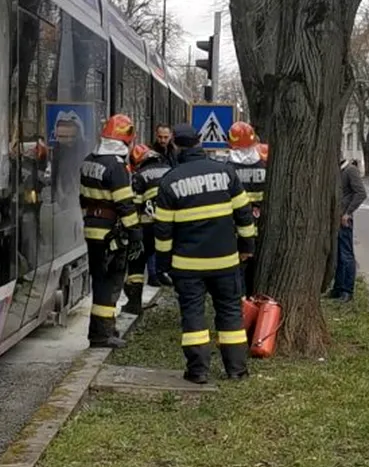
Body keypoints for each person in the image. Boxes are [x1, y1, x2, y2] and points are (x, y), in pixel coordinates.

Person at [153, 123, 257, 383]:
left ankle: (198, 371)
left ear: (175, 144)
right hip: (225, 261)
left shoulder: (170, 181)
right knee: (231, 311)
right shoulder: (226, 173)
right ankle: (237, 370)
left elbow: (163, 231)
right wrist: (247, 248)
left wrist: (164, 264)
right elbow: (244, 216)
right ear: (199, 142)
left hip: (187, 265)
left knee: (193, 314)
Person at [79, 114, 144, 348]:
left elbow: (82, 198)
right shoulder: (115, 166)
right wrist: (135, 232)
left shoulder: (89, 160)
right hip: (110, 233)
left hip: (92, 229)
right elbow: (124, 204)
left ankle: (103, 328)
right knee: (109, 282)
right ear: (125, 141)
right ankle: (102, 334)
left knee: (100, 280)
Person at [124, 143, 172, 313]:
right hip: (169, 226)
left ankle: (134, 302)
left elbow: (134, 205)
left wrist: (131, 230)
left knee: (136, 262)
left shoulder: (139, 176)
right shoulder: (169, 170)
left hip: (147, 227)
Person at [226, 121, 266, 297]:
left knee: (238, 268)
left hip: (237, 227)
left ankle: (242, 305)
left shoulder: (228, 167)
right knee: (257, 268)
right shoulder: (264, 161)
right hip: (261, 223)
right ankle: (255, 300)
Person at [327, 157, 367, 302]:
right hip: (336, 217)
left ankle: (347, 291)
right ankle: (337, 288)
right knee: (338, 255)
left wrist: (348, 212)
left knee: (346, 255)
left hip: (344, 219)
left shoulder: (350, 170)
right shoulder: (339, 171)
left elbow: (361, 193)